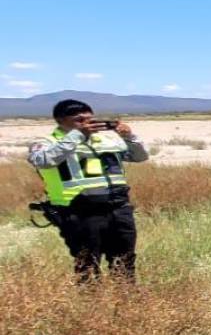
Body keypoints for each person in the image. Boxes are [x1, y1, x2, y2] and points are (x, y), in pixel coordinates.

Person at [27, 99, 149, 283]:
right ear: (60, 120)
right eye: (79, 119)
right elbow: (43, 161)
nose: (86, 123)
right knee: (87, 265)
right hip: (78, 211)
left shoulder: (106, 140)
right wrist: (77, 135)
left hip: (118, 207)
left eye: (90, 118)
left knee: (125, 262)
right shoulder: (47, 143)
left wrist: (129, 137)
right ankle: (91, 306)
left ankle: (125, 303)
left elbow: (140, 157)